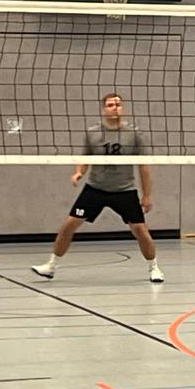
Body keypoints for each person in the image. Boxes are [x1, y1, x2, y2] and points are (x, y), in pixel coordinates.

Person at [32, 93, 163, 282]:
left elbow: (144, 166)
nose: (115, 107)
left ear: (123, 108)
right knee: (69, 225)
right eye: (110, 105)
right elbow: (85, 159)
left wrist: (147, 195)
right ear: (104, 109)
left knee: (140, 230)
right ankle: (51, 266)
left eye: (118, 104)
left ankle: (154, 268)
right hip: (95, 189)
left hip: (124, 190)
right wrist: (79, 172)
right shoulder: (92, 133)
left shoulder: (134, 134)